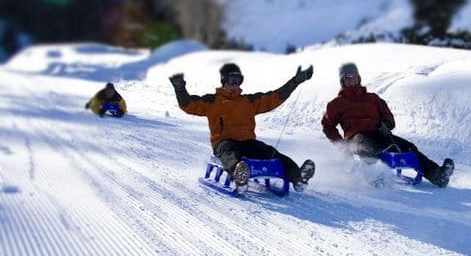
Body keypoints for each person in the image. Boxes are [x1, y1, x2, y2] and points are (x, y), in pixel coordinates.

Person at [169, 63, 316, 192]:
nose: (235, 84)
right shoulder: (213, 101)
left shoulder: (248, 101)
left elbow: (273, 98)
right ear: (224, 81)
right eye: (232, 80)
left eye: (238, 80)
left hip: (248, 142)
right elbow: (189, 105)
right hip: (224, 142)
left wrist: (295, 82)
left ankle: (298, 177)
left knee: (270, 153)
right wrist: (180, 89)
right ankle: (239, 176)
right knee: (230, 154)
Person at [322, 62, 454, 188]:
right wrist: (341, 144)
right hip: (357, 137)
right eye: (347, 77)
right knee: (367, 146)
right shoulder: (336, 104)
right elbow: (328, 126)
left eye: (354, 76)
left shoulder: (373, 98)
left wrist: (386, 124)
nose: (351, 80)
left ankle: (437, 176)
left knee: (409, 148)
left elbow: (388, 115)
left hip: (379, 133)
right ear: (342, 81)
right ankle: (375, 178)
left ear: (358, 78)